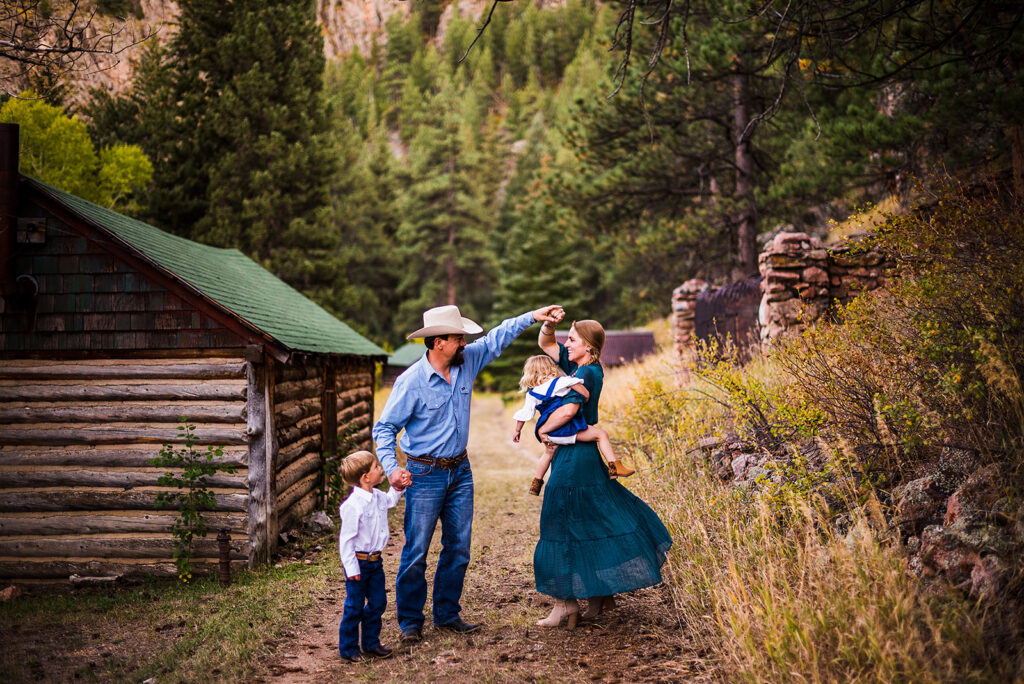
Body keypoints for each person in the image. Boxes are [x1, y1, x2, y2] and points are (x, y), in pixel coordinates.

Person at [373, 303, 564, 643]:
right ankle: (410, 622)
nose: (464, 343)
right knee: (416, 550)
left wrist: (532, 316)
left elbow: (497, 337)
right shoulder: (411, 382)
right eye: (457, 338)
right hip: (424, 473)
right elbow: (385, 429)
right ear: (437, 343)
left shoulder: (468, 361)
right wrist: (391, 469)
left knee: (458, 548)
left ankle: (447, 614)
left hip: (460, 470)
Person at [532, 318, 673, 628]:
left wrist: (542, 427)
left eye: (571, 339)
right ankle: (598, 594)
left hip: (572, 457)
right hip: (582, 454)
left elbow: (569, 411)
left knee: (558, 523)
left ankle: (564, 605)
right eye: (566, 339)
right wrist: (547, 324)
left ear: (588, 347)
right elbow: (546, 344)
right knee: (589, 519)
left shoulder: (582, 373)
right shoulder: (586, 367)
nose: (566, 344)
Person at [512, 355, 634, 496]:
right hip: (566, 427)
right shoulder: (561, 381)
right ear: (550, 368)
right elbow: (581, 389)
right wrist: (586, 396)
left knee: (548, 453)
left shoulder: (532, 394)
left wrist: (517, 430)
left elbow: (525, 414)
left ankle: (536, 483)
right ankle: (614, 467)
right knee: (601, 435)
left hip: (549, 432)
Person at [336, 450, 404, 663]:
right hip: (358, 563)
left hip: (376, 563)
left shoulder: (377, 497)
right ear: (365, 477)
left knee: (378, 602)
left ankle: (371, 643)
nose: (380, 469)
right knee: (354, 607)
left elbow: (391, 500)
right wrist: (352, 569)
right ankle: (348, 649)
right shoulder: (352, 506)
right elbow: (346, 541)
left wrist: (399, 485)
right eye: (376, 467)